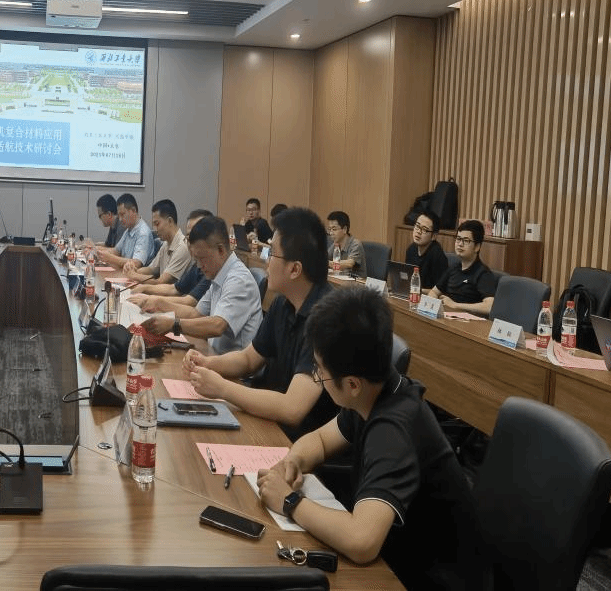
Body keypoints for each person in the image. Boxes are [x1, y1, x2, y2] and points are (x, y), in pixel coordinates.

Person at [257, 287, 483, 590]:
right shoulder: (374, 390)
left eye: (320, 372)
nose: (318, 377)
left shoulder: (393, 430)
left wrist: (289, 501)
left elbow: (361, 541)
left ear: (352, 384)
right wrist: (294, 462)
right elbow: (320, 441)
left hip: (427, 579)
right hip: (398, 557)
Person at [182, 207, 338, 440]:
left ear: (295, 269)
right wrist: (207, 363)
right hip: (267, 418)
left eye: (272, 253)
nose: (266, 261)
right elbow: (248, 360)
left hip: (296, 439)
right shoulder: (283, 303)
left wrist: (222, 388)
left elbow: (292, 409)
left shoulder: (329, 319)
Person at [140, 216, 262, 354]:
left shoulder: (238, 280)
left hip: (232, 365)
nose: (199, 265)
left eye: (202, 258)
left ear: (221, 250)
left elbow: (217, 326)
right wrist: (159, 304)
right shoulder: (219, 274)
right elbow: (195, 313)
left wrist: (174, 324)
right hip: (215, 355)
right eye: (196, 259)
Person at [129, 209, 212, 307]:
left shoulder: (211, 268)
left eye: (196, 236)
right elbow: (174, 289)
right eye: (189, 236)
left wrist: (152, 299)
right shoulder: (198, 265)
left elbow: (190, 302)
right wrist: (144, 287)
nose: (190, 242)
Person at [427, 219, 497, 316]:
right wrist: (435, 306)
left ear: (477, 247)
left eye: (466, 241)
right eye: (458, 239)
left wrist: (455, 305)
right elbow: (434, 292)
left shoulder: (483, 273)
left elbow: (489, 306)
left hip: (468, 321)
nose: (460, 244)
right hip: (445, 317)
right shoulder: (453, 268)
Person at [123, 199, 192, 285]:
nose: (155, 229)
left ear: (170, 221)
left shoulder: (182, 247)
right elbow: (151, 269)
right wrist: (132, 270)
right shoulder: (166, 244)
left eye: (157, 224)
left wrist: (134, 275)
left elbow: (160, 282)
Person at [95, 193, 154, 269]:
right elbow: (116, 251)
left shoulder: (143, 233)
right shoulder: (129, 230)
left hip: (135, 275)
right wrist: (97, 252)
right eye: (119, 215)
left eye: (122, 214)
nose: (120, 219)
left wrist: (110, 258)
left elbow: (136, 263)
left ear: (133, 210)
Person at [405, 210, 449, 291]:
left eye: (424, 230)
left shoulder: (437, 255)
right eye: (417, 226)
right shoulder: (411, 249)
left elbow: (441, 290)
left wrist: (417, 290)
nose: (418, 231)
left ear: (434, 236)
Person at [326, 210, 366, 279]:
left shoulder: (355, 244)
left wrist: (326, 263)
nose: (331, 233)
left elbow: (349, 263)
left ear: (344, 229)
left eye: (334, 229)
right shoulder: (336, 244)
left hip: (356, 283)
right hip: (341, 280)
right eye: (329, 229)